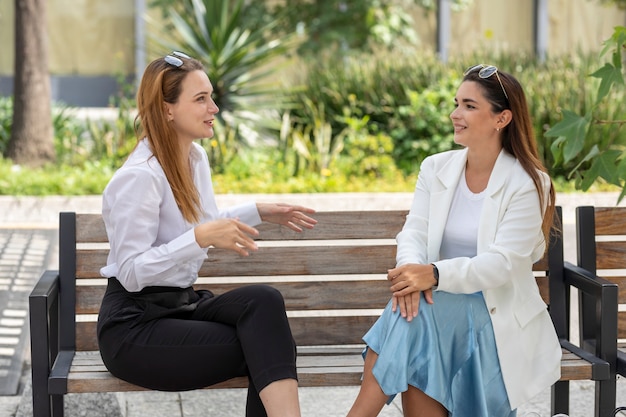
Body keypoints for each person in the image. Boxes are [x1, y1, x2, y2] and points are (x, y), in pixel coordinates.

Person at [96, 51, 317, 417]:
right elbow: (132, 272)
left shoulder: (194, 158)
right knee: (264, 344)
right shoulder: (139, 177)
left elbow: (202, 222)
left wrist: (260, 212)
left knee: (263, 301)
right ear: (167, 109)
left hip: (181, 307)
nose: (213, 107)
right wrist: (199, 238)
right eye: (201, 99)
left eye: (210, 96)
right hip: (135, 328)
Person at [346, 65, 561, 417]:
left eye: (469, 106)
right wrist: (411, 275)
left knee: (416, 316)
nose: (455, 114)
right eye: (456, 103)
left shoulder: (527, 183)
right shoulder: (436, 168)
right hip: (435, 312)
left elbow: (503, 264)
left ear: (502, 118)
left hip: (494, 318)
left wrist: (432, 274)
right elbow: (414, 230)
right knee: (416, 314)